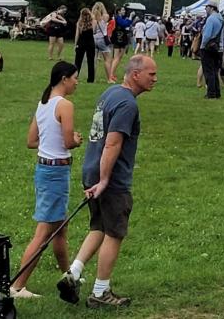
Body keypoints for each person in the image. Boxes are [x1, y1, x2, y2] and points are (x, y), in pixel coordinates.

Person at [57, 55, 157, 307]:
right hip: (109, 178)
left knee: (99, 226)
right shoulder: (127, 105)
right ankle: (100, 293)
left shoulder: (111, 93)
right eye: (151, 74)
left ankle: (74, 273)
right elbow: (112, 142)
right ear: (135, 75)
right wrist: (104, 181)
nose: (155, 79)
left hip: (91, 169)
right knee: (115, 232)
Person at [10, 61, 83, 299]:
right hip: (56, 174)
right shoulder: (65, 105)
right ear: (64, 79)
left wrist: (51, 142)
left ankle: (68, 276)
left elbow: (32, 141)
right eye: (75, 78)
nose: (76, 82)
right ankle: (17, 286)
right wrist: (77, 139)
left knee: (60, 230)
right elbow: (68, 142)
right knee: (43, 233)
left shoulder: (43, 104)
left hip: (45, 170)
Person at [200, 1, 224, 98]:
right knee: (215, 71)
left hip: (208, 48)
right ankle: (217, 92)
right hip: (218, 48)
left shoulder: (211, 19)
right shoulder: (221, 19)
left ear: (212, 8)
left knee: (208, 71)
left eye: (206, 7)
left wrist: (202, 45)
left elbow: (207, 35)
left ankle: (211, 93)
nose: (205, 9)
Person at [92, 2, 114, 82]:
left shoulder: (92, 17)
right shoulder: (105, 16)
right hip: (102, 39)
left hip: (94, 38)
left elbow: (93, 30)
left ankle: (92, 78)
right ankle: (109, 79)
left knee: (93, 60)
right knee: (107, 59)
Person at [75, 7, 97, 84]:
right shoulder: (93, 22)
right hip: (90, 42)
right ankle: (91, 79)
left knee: (78, 61)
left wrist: (75, 44)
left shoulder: (79, 23)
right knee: (91, 61)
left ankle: (75, 77)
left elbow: (77, 34)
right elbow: (94, 32)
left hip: (81, 42)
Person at [108, 8, 132, 81]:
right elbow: (125, 24)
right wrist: (130, 17)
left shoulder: (119, 18)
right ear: (119, 11)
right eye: (123, 10)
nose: (124, 11)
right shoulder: (118, 18)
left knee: (117, 58)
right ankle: (111, 74)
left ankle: (112, 73)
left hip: (119, 38)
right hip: (119, 39)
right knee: (117, 58)